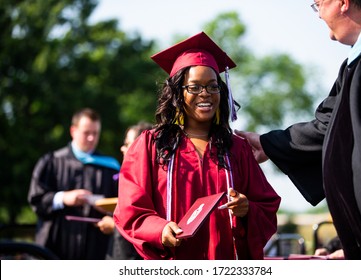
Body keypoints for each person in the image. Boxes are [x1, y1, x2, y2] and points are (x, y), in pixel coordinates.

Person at [235, 0, 361, 259]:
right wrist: (269, 144)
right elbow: (327, 125)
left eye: (318, 4)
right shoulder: (358, 60)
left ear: (343, 3)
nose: (318, 15)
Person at [114, 31, 281, 260]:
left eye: (213, 86)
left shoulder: (237, 148)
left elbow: (267, 206)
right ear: (177, 93)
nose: (206, 94)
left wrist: (247, 210)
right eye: (194, 87)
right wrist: (159, 229)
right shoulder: (150, 146)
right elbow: (130, 209)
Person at [28, 108, 120, 259]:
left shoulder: (110, 168)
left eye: (95, 133)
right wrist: (63, 198)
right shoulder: (52, 162)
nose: (91, 138)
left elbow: (124, 206)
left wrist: (107, 208)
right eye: (86, 133)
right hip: (56, 248)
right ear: (73, 131)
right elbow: (36, 199)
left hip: (96, 249)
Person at [103, 121, 153, 260]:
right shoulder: (129, 176)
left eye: (127, 144)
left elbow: (144, 224)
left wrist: (115, 226)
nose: (122, 148)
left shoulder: (148, 180)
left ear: (141, 146)